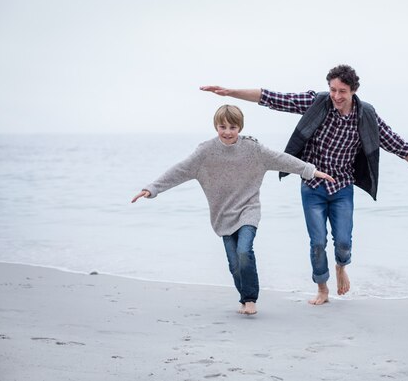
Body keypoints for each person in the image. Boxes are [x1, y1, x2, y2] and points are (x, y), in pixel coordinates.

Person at [200, 65, 408, 306]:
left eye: (342, 91)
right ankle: (322, 287)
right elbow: (273, 98)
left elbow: (397, 144)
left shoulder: (367, 116)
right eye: (333, 90)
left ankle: (341, 266)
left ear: (353, 90)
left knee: (342, 241)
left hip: (342, 187)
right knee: (317, 241)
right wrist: (230, 92)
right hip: (313, 185)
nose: (336, 96)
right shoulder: (317, 103)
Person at [131, 104, 335, 315]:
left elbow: (281, 159)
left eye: (232, 127)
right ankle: (243, 298)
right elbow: (180, 170)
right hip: (223, 214)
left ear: (240, 127)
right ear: (216, 127)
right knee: (234, 263)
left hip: (249, 209)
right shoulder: (205, 152)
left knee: (244, 251)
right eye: (222, 127)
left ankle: (250, 300)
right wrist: (152, 188)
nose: (227, 132)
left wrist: (311, 171)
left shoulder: (253, 149)